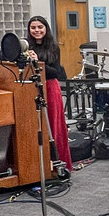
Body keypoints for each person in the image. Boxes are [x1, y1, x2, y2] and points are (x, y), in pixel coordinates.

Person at [26, 16, 73, 172]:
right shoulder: (25, 46)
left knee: (52, 125)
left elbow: (55, 73)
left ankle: (56, 164)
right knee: (34, 126)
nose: (37, 30)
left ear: (46, 28)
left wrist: (38, 62)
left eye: (40, 27)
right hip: (30, 88)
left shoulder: (53, 47)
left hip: (50, 88)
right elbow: (1, 55)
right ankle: (36, 165)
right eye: (33, 28)